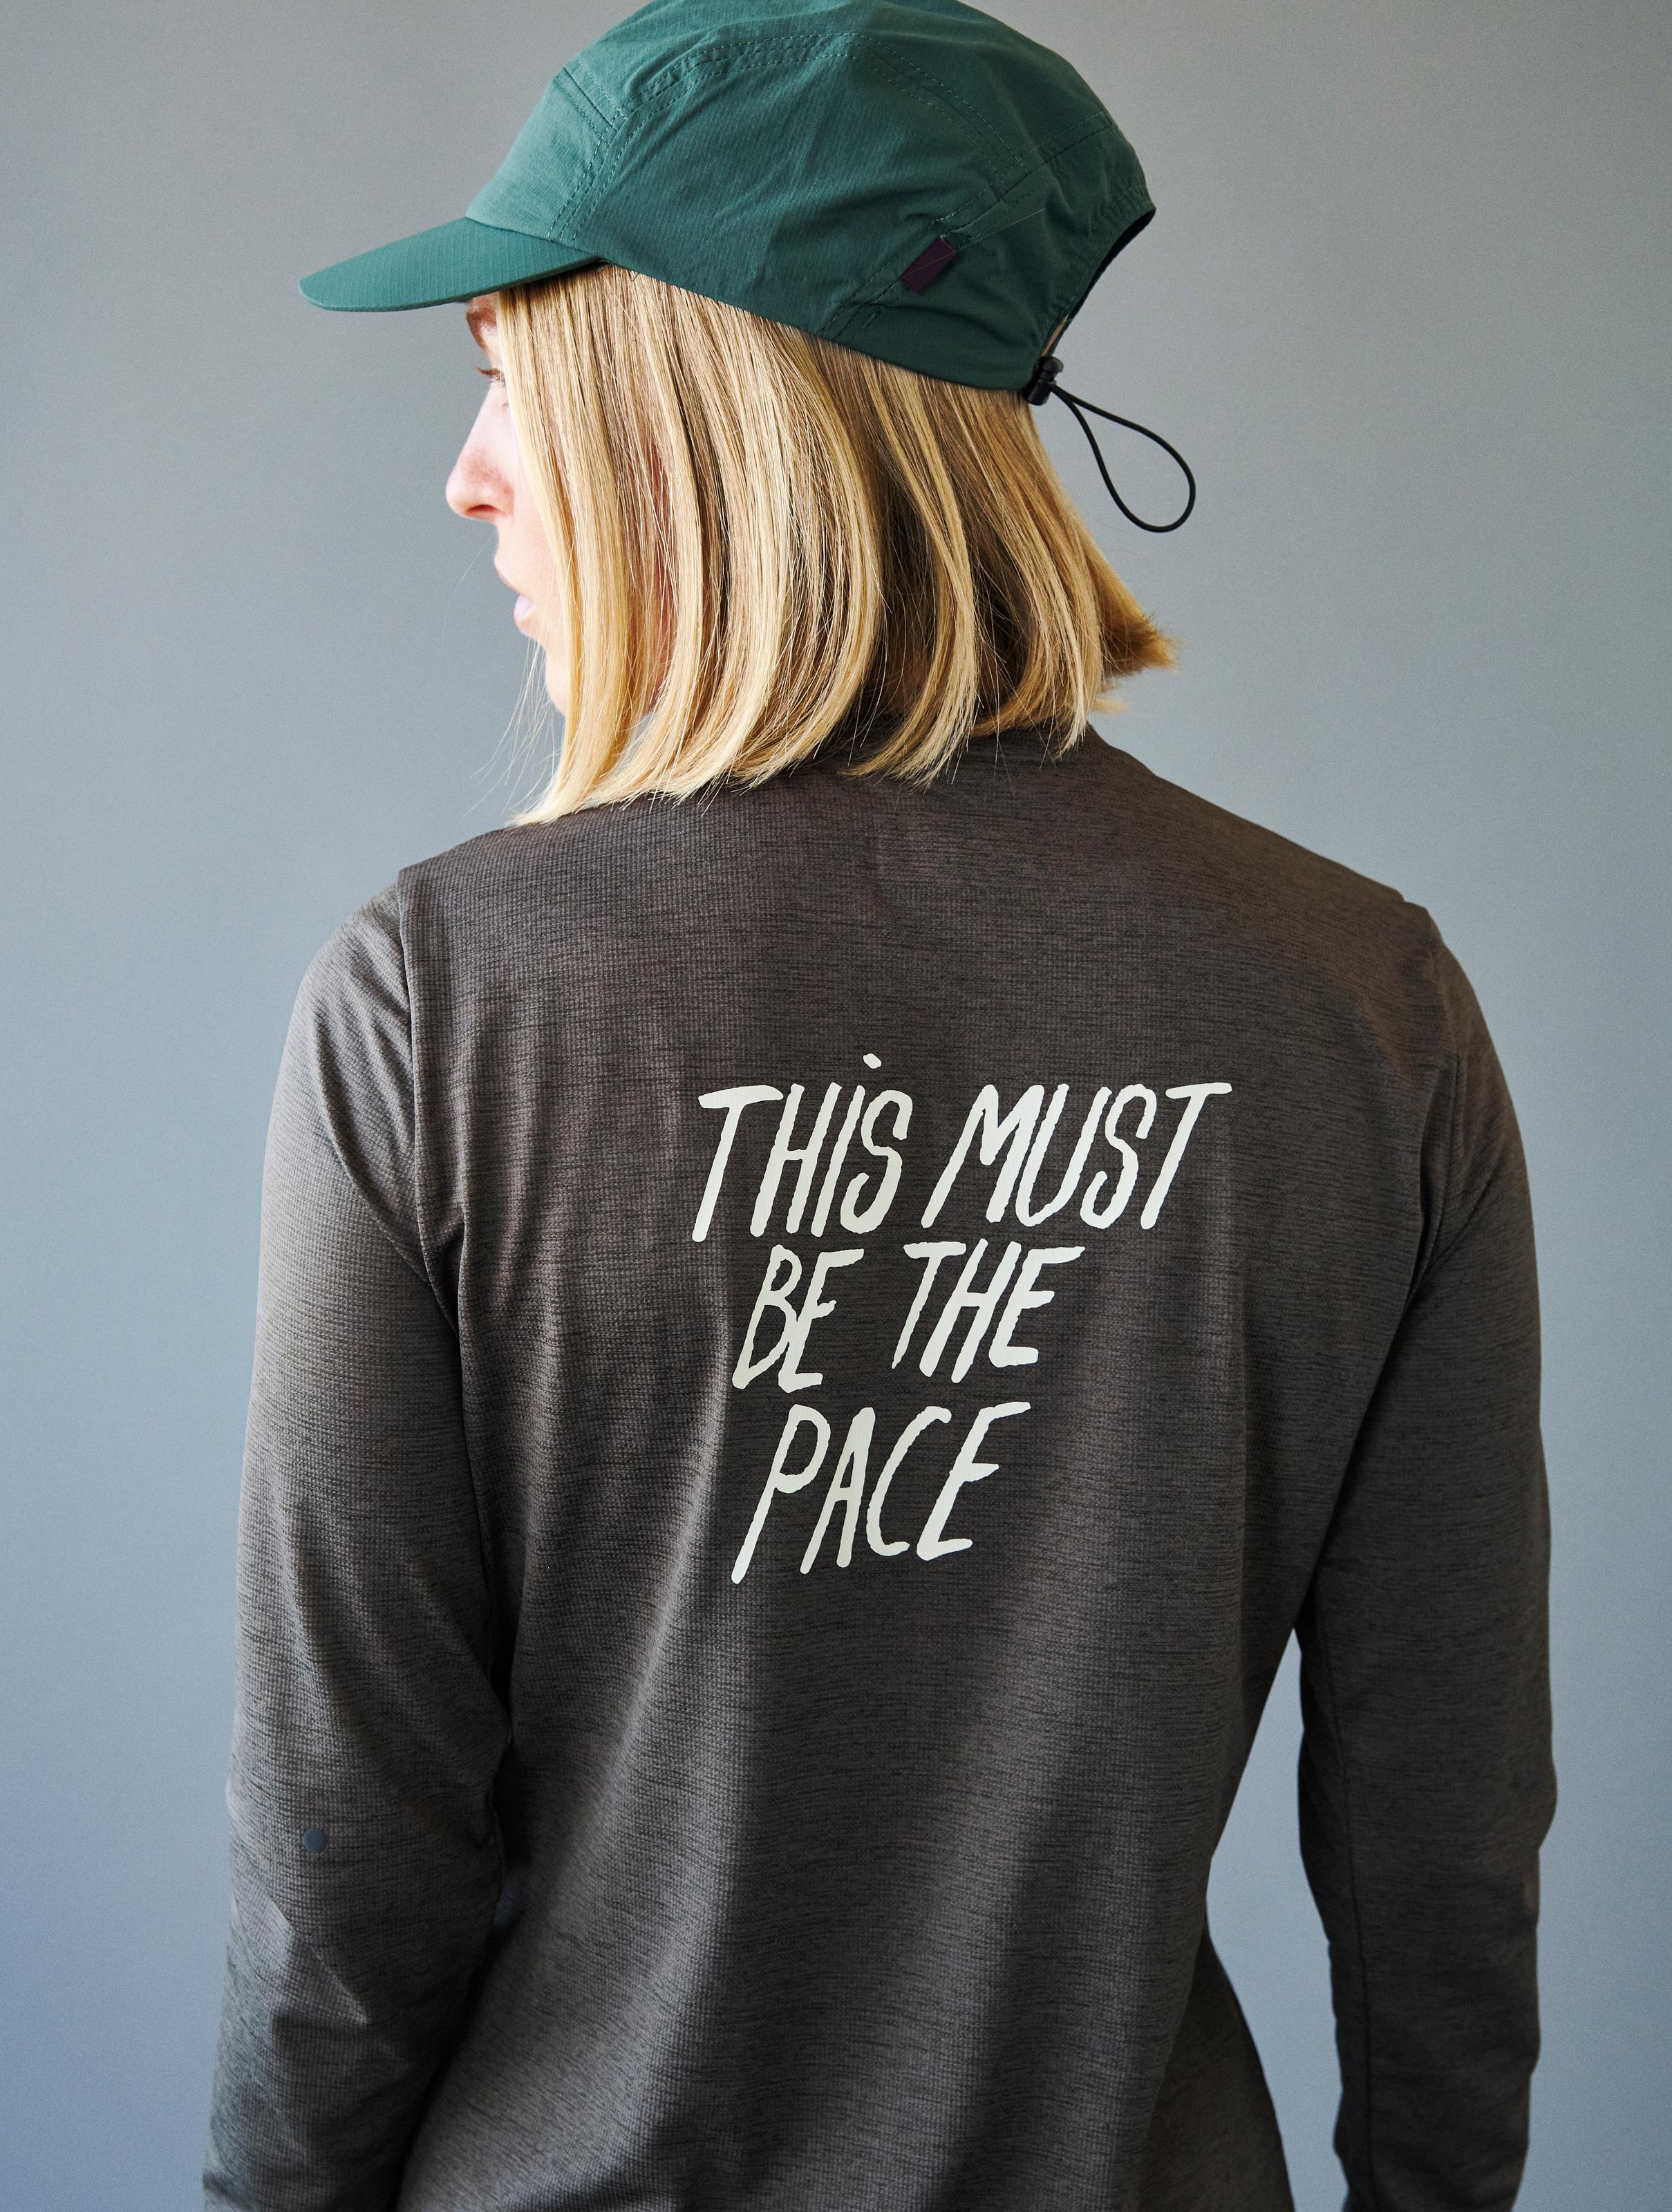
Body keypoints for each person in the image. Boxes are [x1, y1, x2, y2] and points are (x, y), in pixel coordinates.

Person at [204, 3, 1554, 2208]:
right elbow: (1448, 1824)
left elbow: (344, 1855)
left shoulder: (443, 1000)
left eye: (511, 375)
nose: (469, 473)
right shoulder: (1361, 1001)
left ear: (691, 414)